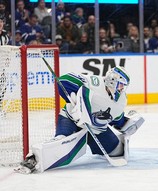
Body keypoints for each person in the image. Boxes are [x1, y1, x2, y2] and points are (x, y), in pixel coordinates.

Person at [15, 66, 144, 174]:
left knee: (117, 151)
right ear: (113, 80)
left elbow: (116, 120)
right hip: (71, 119)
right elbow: (63, 80)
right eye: (121, 85)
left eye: (124, 86)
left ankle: (94, 143)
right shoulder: (94, 82)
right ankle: (33, 159)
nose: (122, 89)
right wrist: (75, 98)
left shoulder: (121, 101)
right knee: (61, 142)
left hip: (95, 130)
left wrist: (127, 124)